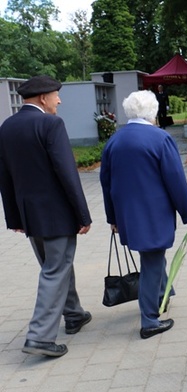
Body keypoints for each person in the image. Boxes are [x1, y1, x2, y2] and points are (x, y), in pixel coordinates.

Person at [0, 75, 93, 357]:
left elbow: (5, 176)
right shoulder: (50, 123)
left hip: (30, 216)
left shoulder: (7, 126)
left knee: (57, 265)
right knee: (55, 270)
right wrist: (83, 215)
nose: (59, 101)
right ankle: (40, 337)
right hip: (56, 214)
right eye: (56, 95)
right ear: (43, 98)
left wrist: (14, 218)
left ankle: (74, 314)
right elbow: (67, 173)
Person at [100, 90, 187, 339]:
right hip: (154, 213)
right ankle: (149, 320)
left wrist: (112, 218)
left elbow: (106, 182)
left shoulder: (115, 140)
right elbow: (175, 180)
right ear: (153, 112)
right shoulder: (159, 138)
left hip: (127, 215)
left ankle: (163, 295)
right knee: (152, 262)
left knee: (153, 257)